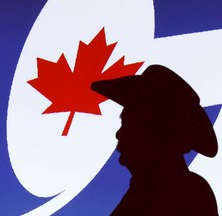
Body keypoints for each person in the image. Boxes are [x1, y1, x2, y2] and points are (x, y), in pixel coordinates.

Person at [91, 65, 218, 215]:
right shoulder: (149, 191)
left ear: (157, 133)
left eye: (129, 125)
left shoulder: (182, 194)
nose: (120, 134)